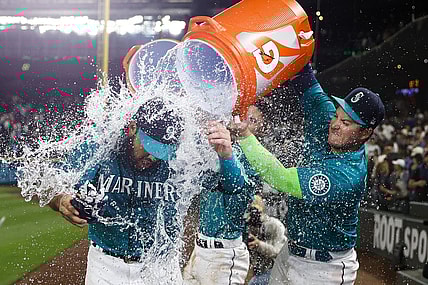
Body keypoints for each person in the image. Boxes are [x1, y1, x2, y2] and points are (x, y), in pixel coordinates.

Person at [48, 97, 246, 285]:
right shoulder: (103, 147)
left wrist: (226, 156)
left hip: (161, 266)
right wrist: (61, 200)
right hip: (105, 265)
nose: (153, 158)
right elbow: (48, 183)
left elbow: (233, 186)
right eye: (149, 148)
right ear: (133, 128)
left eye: (161, 152)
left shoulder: (182, 159)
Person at [235, 63, 385, 285]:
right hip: (291, 252)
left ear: (365, 133)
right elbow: (306, 80)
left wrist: (245, 136)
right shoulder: (330, 123)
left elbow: (280, 178)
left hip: (324, 270)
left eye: (346, 123)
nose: (335, 124)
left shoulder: (347, 175)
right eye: (337, 115)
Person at [182, 111, 263, 285]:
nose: (242, 122)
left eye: (253, 120)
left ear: (260, 129)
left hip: (225, 257)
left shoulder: (254, 159)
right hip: (199, 249)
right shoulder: (217, 145)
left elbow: (234, 185)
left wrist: (226, 155)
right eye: (241, 114)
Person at [247, 195, 286, 285]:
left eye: (255, 211)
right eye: (250, 210)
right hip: (255, 271)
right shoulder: (247, 226)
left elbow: (280, 253)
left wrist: (259, 245)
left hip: (274, 271)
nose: (253, 215)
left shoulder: (274, 225)